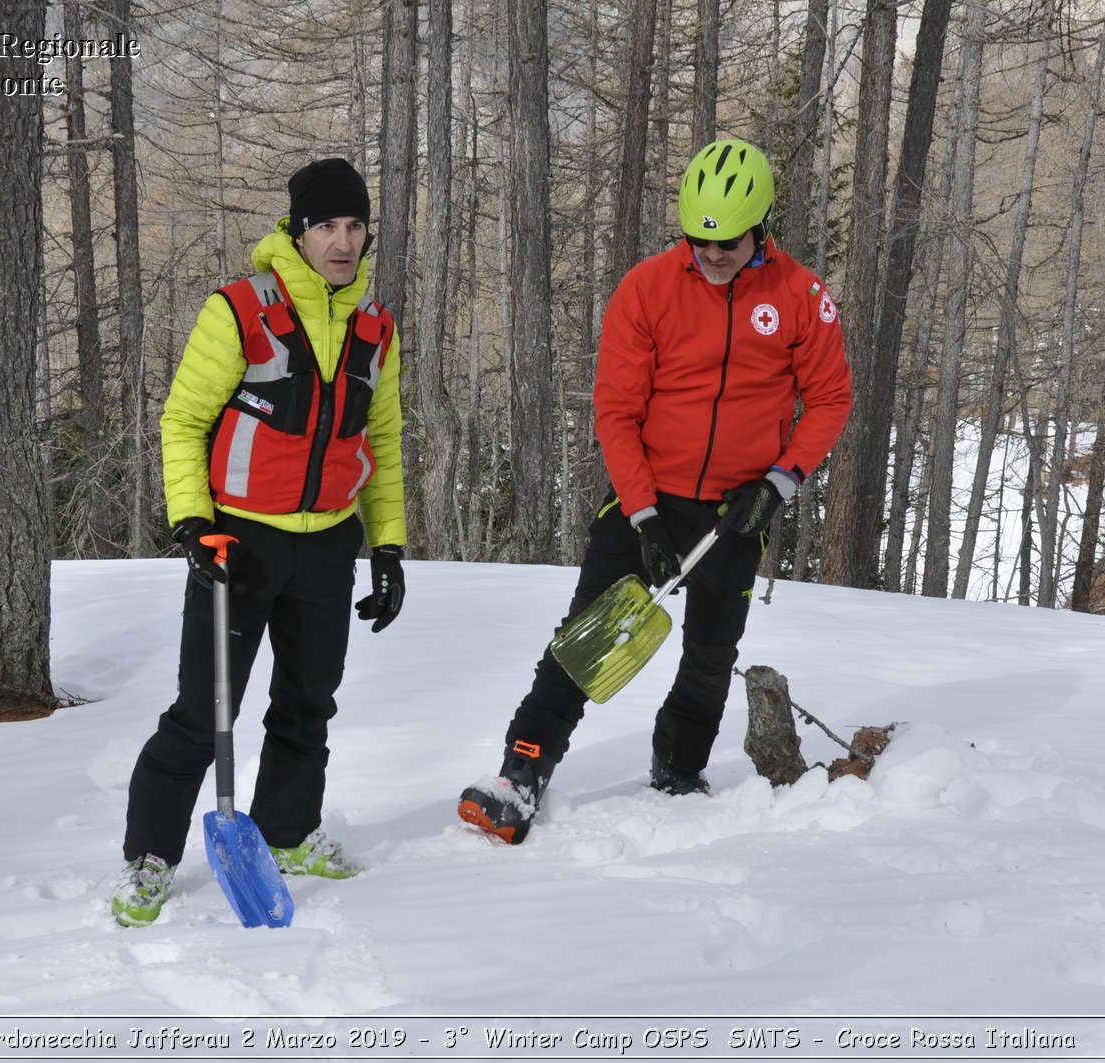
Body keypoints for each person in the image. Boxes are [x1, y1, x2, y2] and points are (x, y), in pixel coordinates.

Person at [457, 138, 852, 844]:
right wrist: (643, 514)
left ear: (759, 227)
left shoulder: (799, 296)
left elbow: (829, 398)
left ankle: (678, 769)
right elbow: (616, 409)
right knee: (586, 640)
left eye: (726, 241)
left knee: (709, 653)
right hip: (647, 499)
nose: (710, 253)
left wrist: (779, 481)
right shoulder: (648, 288)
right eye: (698, 238)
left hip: (737, 509)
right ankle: (521, 774)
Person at [114, 157, 407, 925]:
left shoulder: (375, 325)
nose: (343, 242)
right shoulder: (241, 308)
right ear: (298, 232)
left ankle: (286, 831)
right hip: (237, 544)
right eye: (326, 226)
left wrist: (387, 548)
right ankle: (149, 855)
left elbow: (382, 440)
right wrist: (193, 524)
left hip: (328, 545)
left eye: (354, 225)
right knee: (204, 711)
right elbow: (182, 420)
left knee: (308, 705)